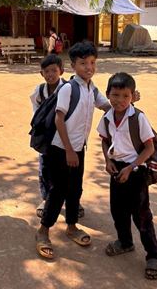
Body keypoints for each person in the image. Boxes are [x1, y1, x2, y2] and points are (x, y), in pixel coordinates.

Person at [35, 42, 111, 259]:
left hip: (79, 148)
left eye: (92, 63)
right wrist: (68, 150)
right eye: (83, 63)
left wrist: (126, 100)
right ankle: (43, 231)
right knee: (58, 191)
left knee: (75, 189)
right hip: (61, 149)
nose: (89, 67)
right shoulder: (69, 88)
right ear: (73, 65)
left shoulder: (91, 88)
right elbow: (60, 119)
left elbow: (106, 106)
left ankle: (71, 226)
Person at [97, 72, 157, 280]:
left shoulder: (138, 118)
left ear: (133, 96)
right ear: (108, 94)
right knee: (118, 210)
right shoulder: (107, 118)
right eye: (115, 95)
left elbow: (149, 148)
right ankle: (125, 242)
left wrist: (131, 166)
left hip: (137, 171)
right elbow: (105, 140)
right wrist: (108, 161)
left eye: (126, 96)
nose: (120, 101)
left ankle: (153, 255)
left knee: (142, 215)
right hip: (116, 168)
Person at [30, 55, 86, 219]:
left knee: (72, 172)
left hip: (67, 137)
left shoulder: (70, 89)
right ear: (41, 73)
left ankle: (73, 201)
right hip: (48, 138)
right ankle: (46, 199)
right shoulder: (39, 91)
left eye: (54, 70)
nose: (50, 74)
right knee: (45, 170)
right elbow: (37, 114)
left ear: (61, 71)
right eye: (46, 71)